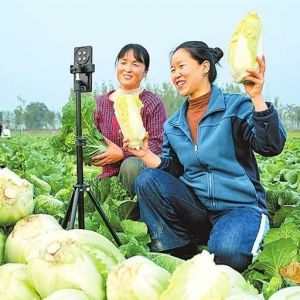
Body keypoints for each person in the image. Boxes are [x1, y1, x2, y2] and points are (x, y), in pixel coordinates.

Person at [123, 41, 287, 272]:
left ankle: (228, 239)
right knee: (147, 178)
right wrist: (146, 155)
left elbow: (271, 146)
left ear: (204, 67)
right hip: (196, 209)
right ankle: (179, 250)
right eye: (172, 69)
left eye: (181, 66)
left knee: (227, 255)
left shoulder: (235, 107)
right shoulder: (174, 124)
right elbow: (175, 170)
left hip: (238, 208)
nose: (176, 74)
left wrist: (257, 98)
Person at [93, 43, 168, 199]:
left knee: (131, 165)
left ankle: (140, 212)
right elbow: (92, 139)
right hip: (108, 175)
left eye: (135, 64)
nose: (128, 68)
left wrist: (122, 153)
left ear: (145, 71)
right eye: (123, 62)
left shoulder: (153, 102)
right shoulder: (100, 103)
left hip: (141, 172)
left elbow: (158, 144)